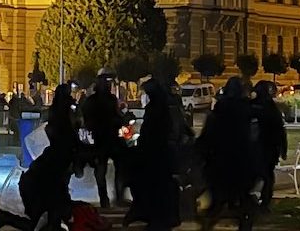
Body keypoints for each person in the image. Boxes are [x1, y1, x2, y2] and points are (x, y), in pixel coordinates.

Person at [198, 77, 258, 231]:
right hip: (241, 161)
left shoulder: (221, 109)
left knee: (219, 201)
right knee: (242, 201)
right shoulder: (246, 109)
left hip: (222, 161)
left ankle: (208, 224)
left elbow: (209, 134)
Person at [125, 78, 181, 231]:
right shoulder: (161, 107)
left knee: (153, 185)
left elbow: (155, 131)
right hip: (157, 152)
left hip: (157, 153)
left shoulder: (159, 108)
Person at [20, 84, 78, 230]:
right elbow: (65, 135)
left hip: (58, 157)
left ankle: (53, 222)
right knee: (56, 195)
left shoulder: (59, 112)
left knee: (55, 196)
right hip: (58, 158)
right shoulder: (62, 114)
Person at [80, 69, 124, 208]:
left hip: (107, 138)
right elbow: (87, 120)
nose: (108, 85)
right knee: (102, 169)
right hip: (103, 138)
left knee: (115, 167)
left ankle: (115, 196)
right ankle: (108, 197)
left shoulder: (107, 100)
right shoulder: (95, 101)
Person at [250, 81, 287, 212]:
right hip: (267, 149)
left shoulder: (252, 106)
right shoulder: (271, 108)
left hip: (258, 149)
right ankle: (263, 202)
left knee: (261, 176)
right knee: (267, 177)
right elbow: (280, 130)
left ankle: (257, 201)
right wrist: (283, 148)